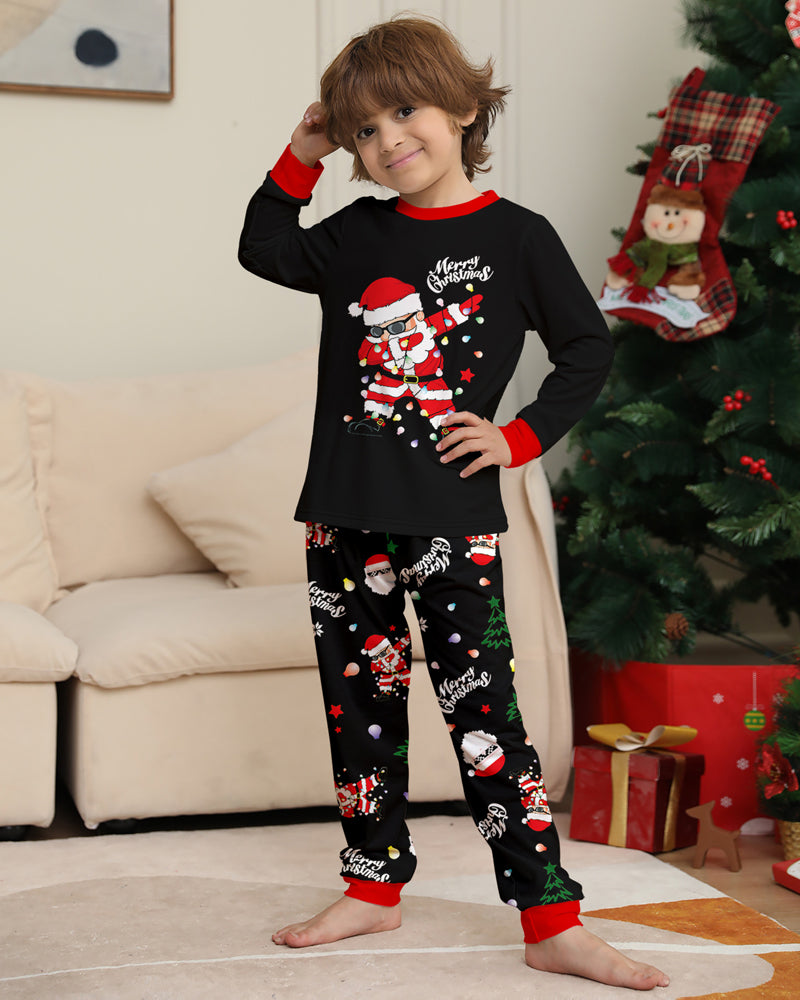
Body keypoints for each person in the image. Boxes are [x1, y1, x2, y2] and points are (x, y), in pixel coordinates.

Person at [238, 15, 669, 991]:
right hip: (340, 516)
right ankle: (371, 887)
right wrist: (302, 152)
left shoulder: (517, 237)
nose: (388, 139)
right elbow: (263, 247)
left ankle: (549, 918)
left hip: (451, 523)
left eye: (404, 112)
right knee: (359, 712)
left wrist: (516, 440)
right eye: (364, 130)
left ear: (464, 108)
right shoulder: (352, 235)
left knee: (486, 719)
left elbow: (586, 348)